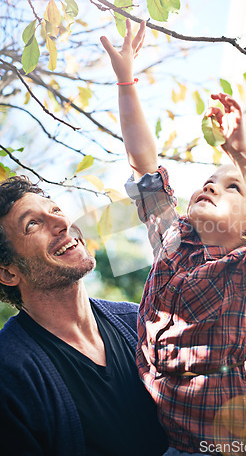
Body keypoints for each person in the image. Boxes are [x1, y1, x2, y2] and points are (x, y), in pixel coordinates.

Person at [100, 19, 246, 455]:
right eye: (210, 179)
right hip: (174, 438)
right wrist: (126, 80)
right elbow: (144, 164)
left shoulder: (245, 276)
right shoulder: (174, 241)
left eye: (232, 187)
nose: (211, 186)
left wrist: (240, 153)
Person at [0, 177, 169, 455]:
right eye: (33, 224)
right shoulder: (10, 374)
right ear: (8, 272)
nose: (62, 223)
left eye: (55, 210)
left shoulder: (137, 321)